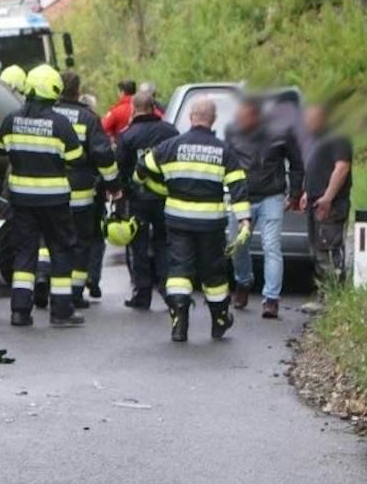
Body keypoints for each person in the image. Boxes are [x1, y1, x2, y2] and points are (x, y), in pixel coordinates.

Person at [139, 97, 251, 343]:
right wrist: (244, 220)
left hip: (178, 221)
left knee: (179, 269)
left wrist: (160, 188)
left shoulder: (169, 146)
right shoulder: (224, 150)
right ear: (213, 120)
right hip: (210, 223)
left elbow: (142, 169)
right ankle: (220, 321)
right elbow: (238, 187)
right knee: (213, 272)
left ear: (191, 117)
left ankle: (179, 324)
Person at [0, 64, 85, 328]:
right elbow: (76, 159)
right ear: (54, 90)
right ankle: (61, 311)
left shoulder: (12, 119)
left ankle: (20, 311)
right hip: (54, 202)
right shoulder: (61, 124)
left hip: (21, 200)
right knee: (61, 250)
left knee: (25, 252)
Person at [225, 96, 303, 319]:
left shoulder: (281, 132)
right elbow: (226, 162)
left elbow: (297, 163)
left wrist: (294, 193)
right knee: (238, 245)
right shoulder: (233, 130)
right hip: (242, 197)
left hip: (272, 196)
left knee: (271, 246)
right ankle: (243, 281)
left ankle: (271, 299)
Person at [51, 70, 119, 309]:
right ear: (78, 92)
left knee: (48, 239)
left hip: (49, 192)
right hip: (80, 194)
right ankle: (76, 292)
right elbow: (102, 154)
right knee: (80, 242)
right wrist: (114, 186)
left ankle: (43, 281)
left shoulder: (47, 113)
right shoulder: (88, 118)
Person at [116, 87, 179, 309]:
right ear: (154, 107)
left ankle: (142, 294)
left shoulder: (127, 135)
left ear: (134, 109)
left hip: (138, 199)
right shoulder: (170, 132)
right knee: (164, 243)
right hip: (166, 198)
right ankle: (167, 288)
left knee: (139, 246)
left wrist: (121, 194)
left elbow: (121, 169)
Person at [303, 104, 353, 286]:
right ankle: (325, 294)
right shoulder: (315, 139)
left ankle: (334, 295)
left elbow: (342, 168)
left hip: (331, 204)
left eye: (311, 119)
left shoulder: (339, 137)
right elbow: (316, 168)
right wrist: (307, 192)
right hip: (315, 201)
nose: (307, 123)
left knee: (329, 251)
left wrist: (328, 198)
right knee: (317, 251)